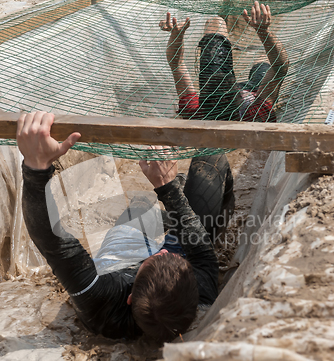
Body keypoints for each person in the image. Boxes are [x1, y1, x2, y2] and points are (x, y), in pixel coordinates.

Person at [17, 111, 234, 343]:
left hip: (123, 250)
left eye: (156, 257)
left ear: (129, 297)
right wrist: (168, 188)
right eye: (164, 255)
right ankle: (175, 208)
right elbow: (199, 252)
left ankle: (162, 212)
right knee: (212, 158)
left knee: (139, 205)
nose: (160, 252)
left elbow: (51, 241)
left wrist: (36, 168)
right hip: (176, 254)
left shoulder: (100, 300)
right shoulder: (201, 293)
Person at [160, 0, 289, 123]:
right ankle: (258, 67)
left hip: (218, 90)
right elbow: (280, 66)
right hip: (253, 91)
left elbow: (176, 64)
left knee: (216, 22)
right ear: (239, 96)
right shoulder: (254, 115)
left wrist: (176, 36)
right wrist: (263, 32)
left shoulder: (195, 112)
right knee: (264, 61)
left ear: (202, 99)